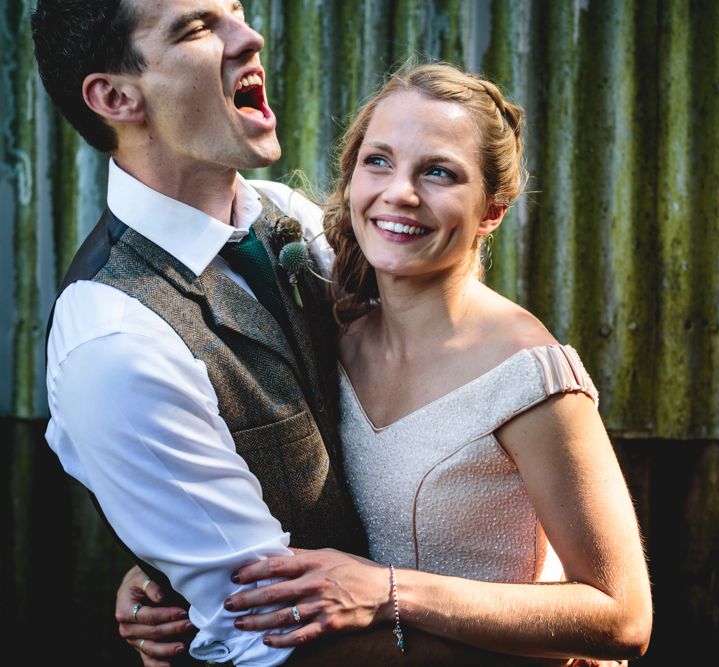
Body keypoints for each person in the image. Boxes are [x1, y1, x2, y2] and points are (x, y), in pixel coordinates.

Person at [120, 63, 653, 666]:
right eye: (379, 162)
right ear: (350, 183)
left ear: (492, 211)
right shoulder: (329, 333)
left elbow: (622, 615)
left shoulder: (531, 376)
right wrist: (167, 577)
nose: (400, 192)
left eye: (439, 172)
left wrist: (390, 592)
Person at [32, 1, 370, 665]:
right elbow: (270, 636)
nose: (250, 36)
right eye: (197, 27)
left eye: (237, 10)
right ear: (115, 96)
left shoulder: (293, 216)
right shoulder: (113, 340)